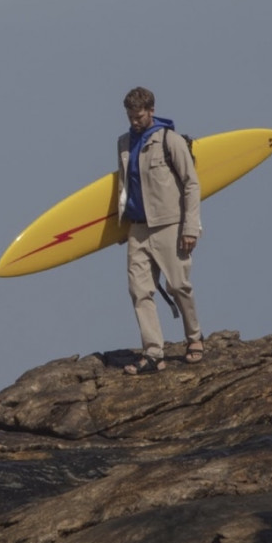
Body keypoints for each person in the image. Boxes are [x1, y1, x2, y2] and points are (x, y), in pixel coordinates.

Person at [117, 87, 204, 374]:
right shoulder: (123, 143)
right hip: (137, 229)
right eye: (130, 116)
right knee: (139, 291)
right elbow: (125, 187)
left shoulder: (170, 140)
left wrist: (190, 227)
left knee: (178, 285)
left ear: (151, 111)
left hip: (169, 224)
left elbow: (191, 184)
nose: (134, 121)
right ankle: (154, 352)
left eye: (139, 115)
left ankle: (194, 338)